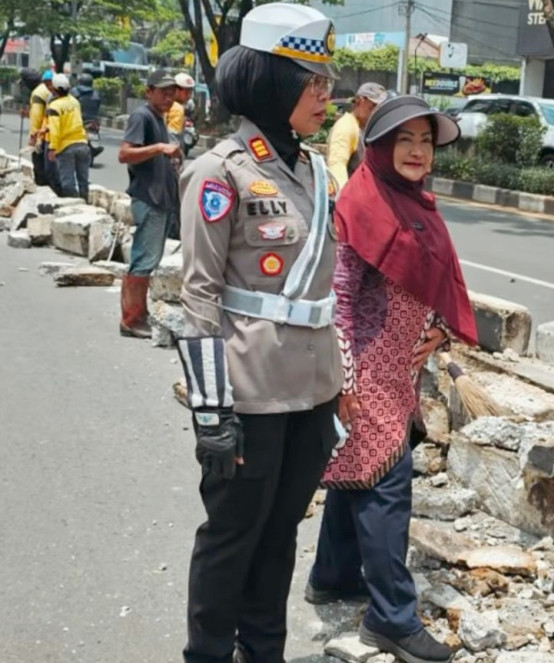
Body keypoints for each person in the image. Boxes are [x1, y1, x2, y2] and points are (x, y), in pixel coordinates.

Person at [175, 4, 342, 662]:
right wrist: (212, 413)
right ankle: (209, 652)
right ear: (270, 80)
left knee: (280, 537)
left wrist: (342, 388)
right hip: (249, 396)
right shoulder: (220, 172)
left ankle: (262, 650)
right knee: (232, 537)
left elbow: (325, 293)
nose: (325, 94)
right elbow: (198, 296)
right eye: (311, 79)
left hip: (312, 394)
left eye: (328, 80)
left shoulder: (315, 172)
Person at [308, 95, 479, 663]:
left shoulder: (415, 202)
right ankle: (392, 618)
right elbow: (340, 300)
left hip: (400, 367)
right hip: (365, 370)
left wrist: (439, 331)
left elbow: (427, 278)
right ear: (377, 147)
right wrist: (346, 381)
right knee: (388, 487)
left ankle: (332, 575)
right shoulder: (362, 201)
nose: (417, 150)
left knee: (361, 468)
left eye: (426, 140)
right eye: (403, 139)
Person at [117, 70, 180, 339]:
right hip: (149, 199)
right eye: (164, 91)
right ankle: (132, 319)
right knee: (144, 260)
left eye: (172, 92)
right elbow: (124, 154)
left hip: (160, 200)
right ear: (149, 91)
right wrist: (159, 149)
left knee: (149, 258)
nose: (169, 97)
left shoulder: (158, 118)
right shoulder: (142, 116)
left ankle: (137, 316)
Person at [326, 81, 387, 188]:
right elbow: (337, 166)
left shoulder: (366, 128)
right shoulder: (346, 127)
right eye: (372, 107)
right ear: (359, 101)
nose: (375, 113)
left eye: (379, 108)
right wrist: (342, 198)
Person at [46, 74, 91, 201]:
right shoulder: (75, 102)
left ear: (54, 89)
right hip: (82, 144)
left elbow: (55, 130)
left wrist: (52, 148)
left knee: (68, 183)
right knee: (83, 181)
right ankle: (85, 204)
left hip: (66, 148)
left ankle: (76, 207)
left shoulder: (55, 106)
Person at [27, 70, 54, 187]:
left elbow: (37, 117)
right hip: (55, 134)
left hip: (42, 135)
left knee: (39, 167)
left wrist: (34, 137)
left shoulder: (38, 93)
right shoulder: (55, 92)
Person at [166, 72, 195, 147]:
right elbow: (173, 137)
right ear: (176, 89)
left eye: (191, 91)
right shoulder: (177, 108)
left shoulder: (166, 103)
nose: (189, 95)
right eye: (186, 91)